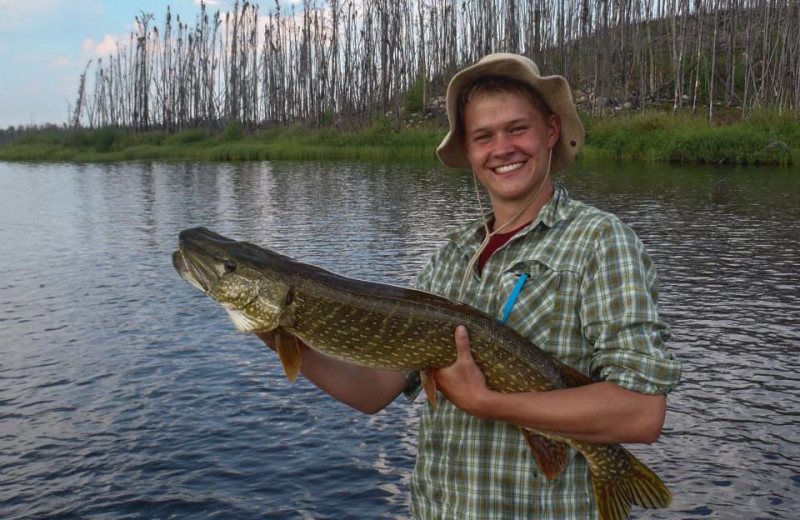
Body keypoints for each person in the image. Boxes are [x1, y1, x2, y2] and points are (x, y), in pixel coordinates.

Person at [258, 53, 681, 519]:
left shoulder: (601, 241)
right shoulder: (452, 257)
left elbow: (641, 413)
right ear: (470, 150)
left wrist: (490, 403)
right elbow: (373, 391)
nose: (502, 148)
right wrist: (279, 332)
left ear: (551, 132)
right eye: (483, 136)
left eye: (517, 129)